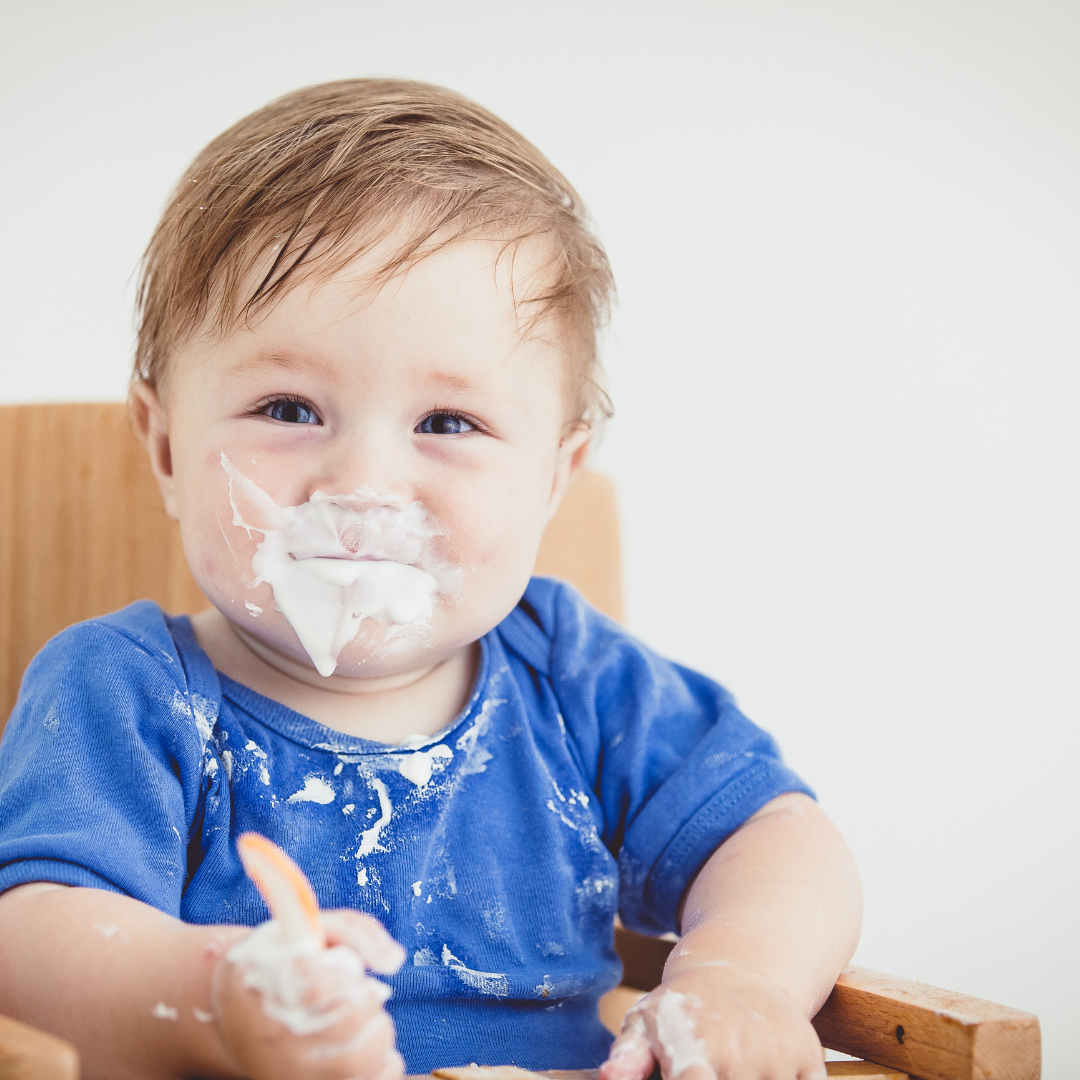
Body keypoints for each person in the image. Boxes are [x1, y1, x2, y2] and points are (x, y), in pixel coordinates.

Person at [0, 79, 861, 1080]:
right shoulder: (128, 690)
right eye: (287, 407)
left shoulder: (573, 678)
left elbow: (780, 840)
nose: (364, 484)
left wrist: (738, 982)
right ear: (164, 447)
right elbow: (30, 941)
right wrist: (217, 998)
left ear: (553, 478)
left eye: (447, 424)